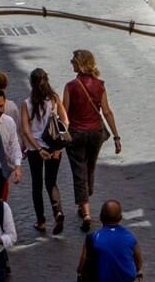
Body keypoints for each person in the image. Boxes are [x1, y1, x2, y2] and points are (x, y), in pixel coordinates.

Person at [62, 49, 122, 232]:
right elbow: (107, 111)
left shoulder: (71, 86)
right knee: (90, 168)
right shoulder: (100, 85)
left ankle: (86, 211)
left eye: (73, 60)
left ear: (80, 63)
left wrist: (61, 136)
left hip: (77, 134)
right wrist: (116, 136)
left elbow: (64, 114)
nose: (71, 62)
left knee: (79, 170)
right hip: (96, 132)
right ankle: (84, 201)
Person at [20, 67, 67, 235]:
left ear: (31, 83)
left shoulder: (27, 103)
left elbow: (25, 130)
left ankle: (41, 221)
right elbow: (65, 121)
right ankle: (58, 211)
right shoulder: (54, 99)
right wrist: (57, 148)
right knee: (52, 182)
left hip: (36, 150)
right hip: (53, 148)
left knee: (37, 185)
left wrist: (38, 148)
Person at [80, 200, 142, 282]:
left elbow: (83, 261)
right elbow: (138, 260)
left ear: (101, 217)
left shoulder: (93, 237)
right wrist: (139, 271)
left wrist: (79, 271)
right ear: (120, 218)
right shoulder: (130, 236)